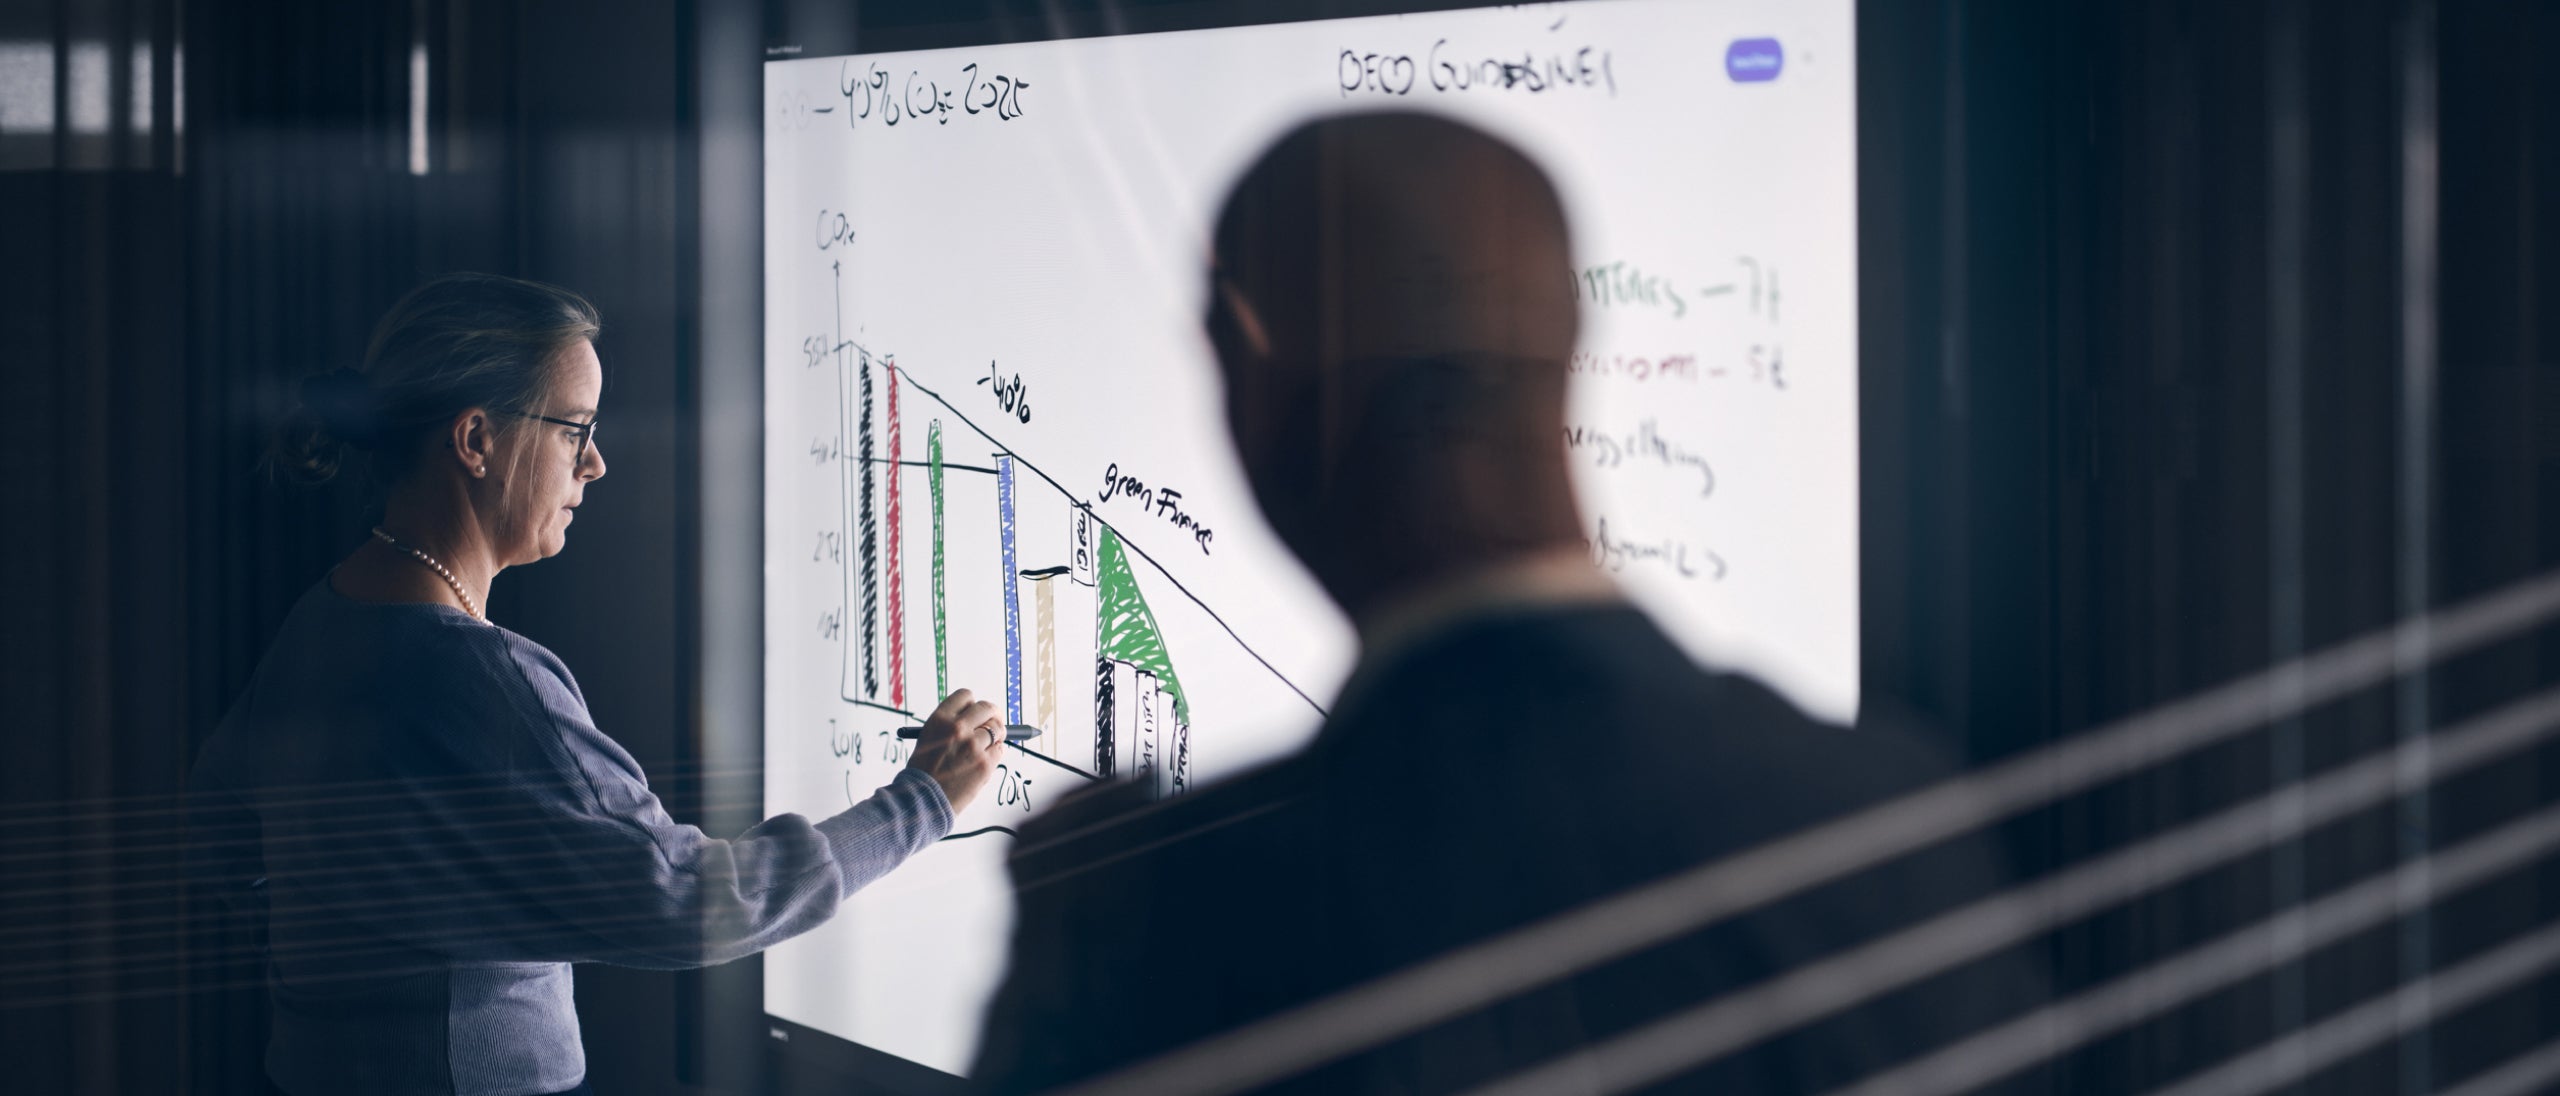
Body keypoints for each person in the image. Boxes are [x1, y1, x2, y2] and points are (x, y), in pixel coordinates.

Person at [969, 113, 2037, 1092]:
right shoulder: (1889, 815)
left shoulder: (1164, 914)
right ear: (1568, 349)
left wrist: (1059, 969)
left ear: (1260, 391)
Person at [190, 273, 1009, 1096]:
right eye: (574, 429)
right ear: (475, 440)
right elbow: (689, 903)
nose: (596, 463)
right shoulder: (486, 678)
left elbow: (220, 842)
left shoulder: (324, 618)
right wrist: (920, 803)